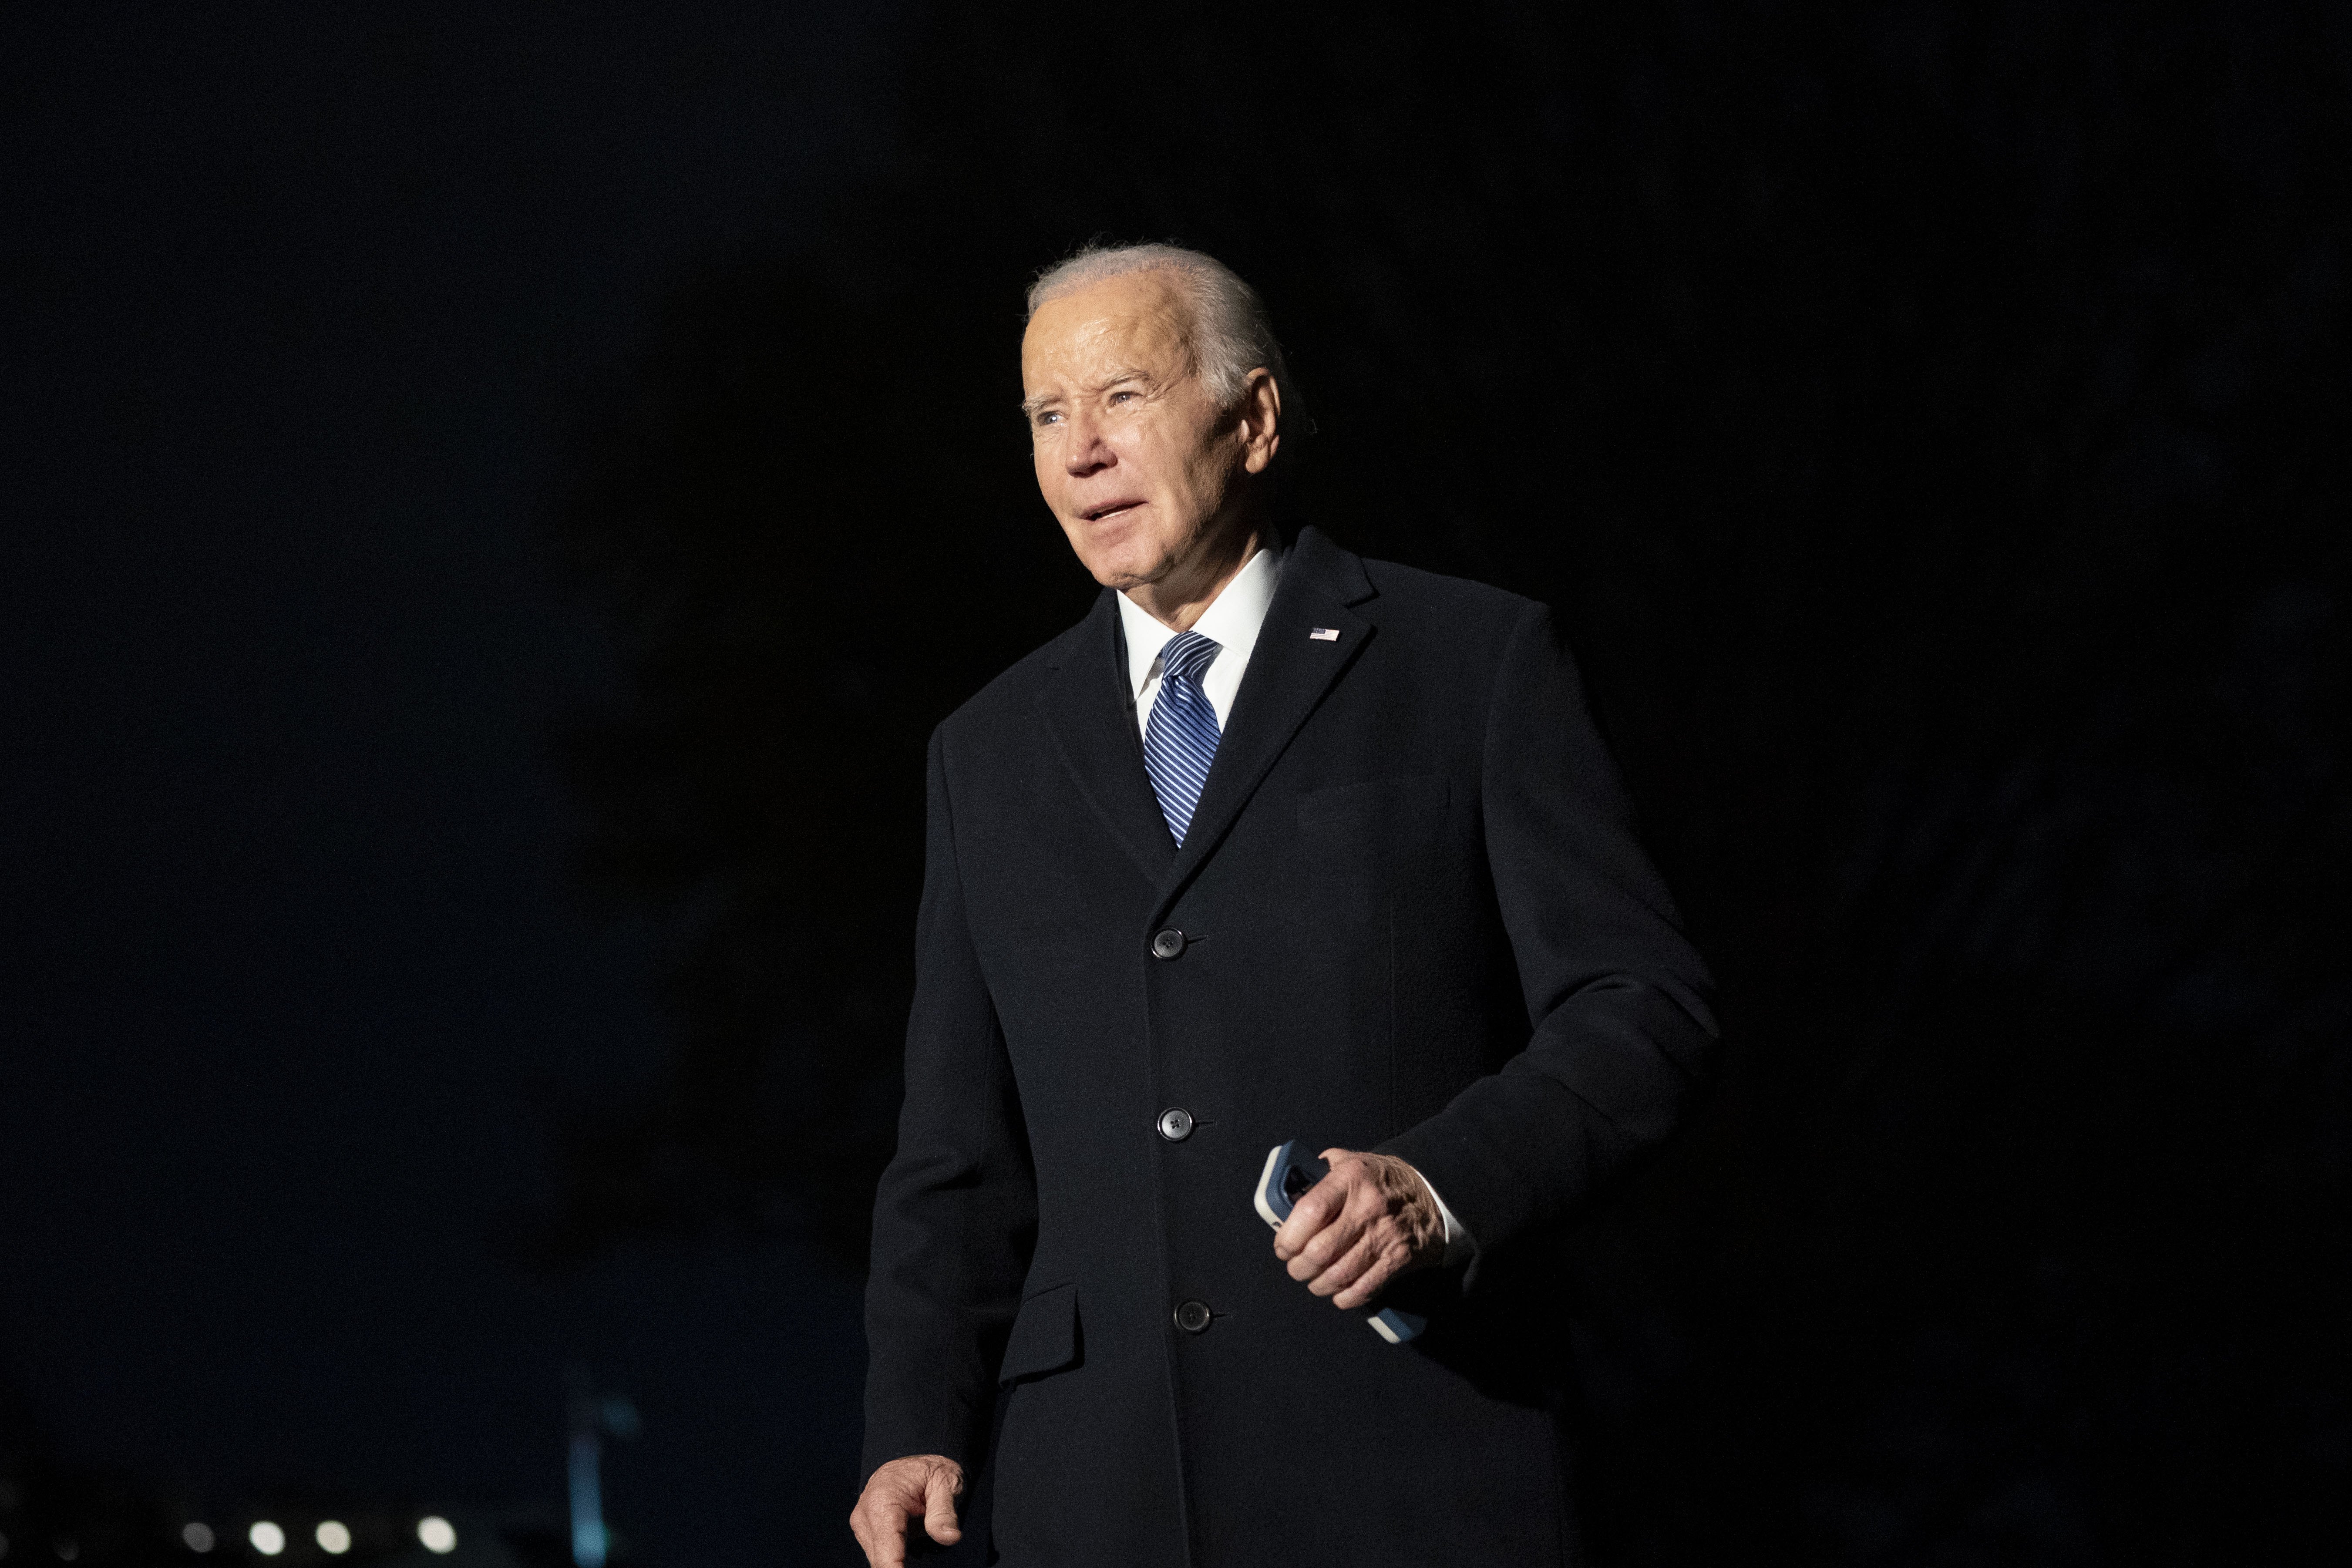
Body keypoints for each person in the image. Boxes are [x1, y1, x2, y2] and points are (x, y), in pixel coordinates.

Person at [850, 243, 1716, 1566]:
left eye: (1122, 396)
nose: (1078, 450)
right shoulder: (985, 752)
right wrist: (914, 1418)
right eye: (1044, 415)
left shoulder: (1467, 663)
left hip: (1406, 1453)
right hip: (1094, 1492)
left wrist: (1440, 1183)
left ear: (1251, 420)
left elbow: (1637, 1008)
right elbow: (956, 1151)